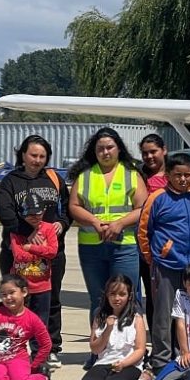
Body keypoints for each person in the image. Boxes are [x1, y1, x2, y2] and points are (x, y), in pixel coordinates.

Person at [0, 134, 69, 368]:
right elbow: (5, 212)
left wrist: (63, 223)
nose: (37, 160)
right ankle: (16, 350)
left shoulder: (54, 178)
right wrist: (28, 230)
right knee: (17, 302)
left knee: (50, 301)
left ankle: (50, 348)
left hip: (50, 256)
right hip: (17, 254)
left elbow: (66, 208)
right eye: (33, 155)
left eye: (42, 156)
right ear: (23, 155)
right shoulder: (11, 181)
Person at [137, 152, 190, 374]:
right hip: (166, 265)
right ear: (168, 175)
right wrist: (155, 259)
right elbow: (143, 232)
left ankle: (189, 355)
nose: (182, 179)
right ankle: (161, 360)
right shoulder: (157, 198)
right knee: (163, 314)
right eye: (177, 175)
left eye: (187, 175)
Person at [68, 127, 148, 325]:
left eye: (110, 147)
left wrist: (120, 223)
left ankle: (130, 350)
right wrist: (94, 222)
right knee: (99, 299)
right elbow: (73, 206)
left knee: (127, 297)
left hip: (124, 246)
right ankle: (99, 351)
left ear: (119, 148)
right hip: (91, 247)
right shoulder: (85, 175)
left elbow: (143, 208)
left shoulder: (131, 174)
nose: (105, 152)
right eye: (100, 149)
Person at [0, 274, 51, 380]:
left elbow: (46, 344)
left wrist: (35, 366)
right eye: (4, 294)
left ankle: (43, 378)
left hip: (18, 359)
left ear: (24, 292)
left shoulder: (32, 319)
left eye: (12, 293)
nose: (8, 297)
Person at [10, 193, 58, 357]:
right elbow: (19, 256)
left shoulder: (48, 228)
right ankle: (16, 356)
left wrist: (31, 247)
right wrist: (37, 250)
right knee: (17, 323)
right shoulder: (17, 230)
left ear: (43, 211)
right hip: (21, 287)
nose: (34, 217)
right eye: (29, 214)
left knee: (40, 325)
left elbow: (52, 252)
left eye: (37, 213)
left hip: (42, 287)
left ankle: (39, 358)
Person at [81, 274, 147, 380]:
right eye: (112, 294)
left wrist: (123, 363)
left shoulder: (136, 319)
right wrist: (108, 329)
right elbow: (95, 349)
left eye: (122, 294)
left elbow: (140, 349)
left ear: (129, 296)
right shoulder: (100, 317)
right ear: (107, 295)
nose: (117, 298)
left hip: (129, 364)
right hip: (103, 363)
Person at [138, 133, 168, 335]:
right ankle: (155, 338)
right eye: (145, 153)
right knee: (151, 294)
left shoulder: (176, 174)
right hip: (144, 244)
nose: (149, 157)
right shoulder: (139, 176)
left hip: (170, 244)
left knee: (169, 295)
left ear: (164, 150)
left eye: (153, 152)